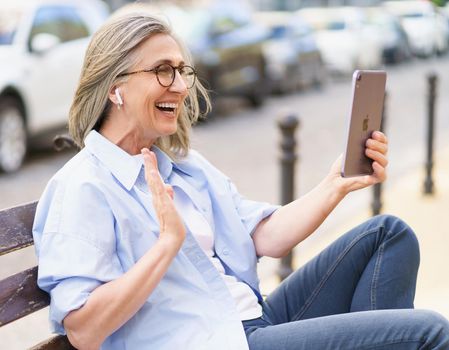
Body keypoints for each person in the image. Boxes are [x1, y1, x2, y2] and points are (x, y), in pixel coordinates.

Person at [32, 11, 449, 350]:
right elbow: (84, 331)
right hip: (211, 342)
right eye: (162, 71)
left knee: (388, 234)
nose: (179, 86)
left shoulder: (185, 166)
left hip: (250, 320)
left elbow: (264, 236)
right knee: (429, 332)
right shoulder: (83, 187)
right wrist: (165, 247)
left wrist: (336, 182)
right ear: (114, 87)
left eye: (181, 70)